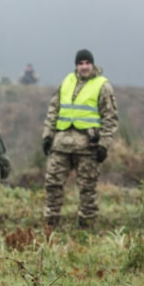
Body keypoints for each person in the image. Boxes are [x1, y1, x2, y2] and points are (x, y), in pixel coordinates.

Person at [42, 49, 118, 229]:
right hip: (61, 144)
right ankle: (50, 225)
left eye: (87, 63)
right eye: (80, 63)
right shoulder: (67, 81)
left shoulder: (103, 86)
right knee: (52, 185)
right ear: (76, 65)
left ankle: (86, 228)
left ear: (92, 64)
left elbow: (110, 117)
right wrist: (47, 135)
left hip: (87, 146)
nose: (84, 67)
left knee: (87, 189)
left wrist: (104, 145)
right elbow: (53, 109)